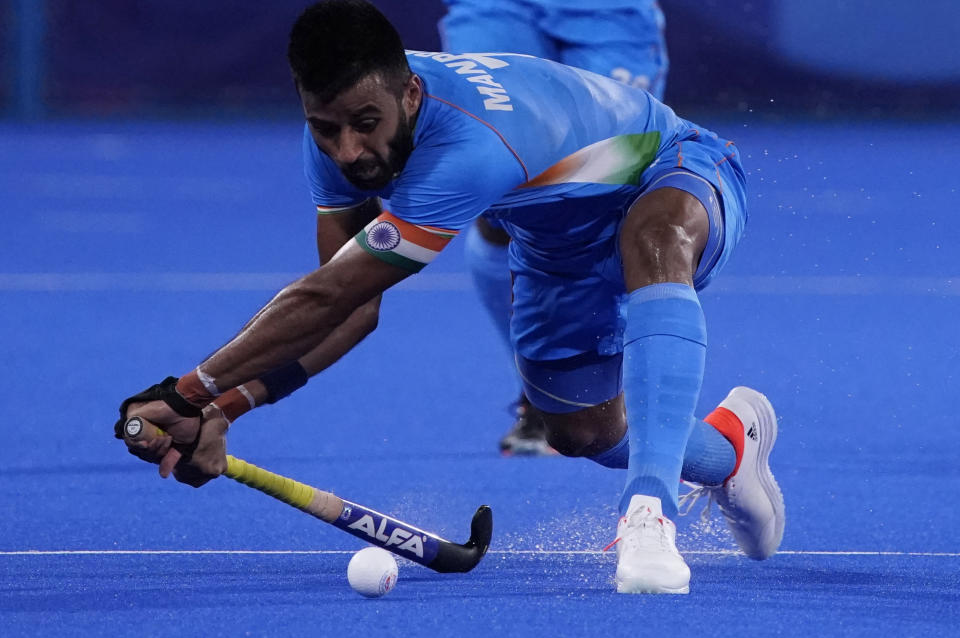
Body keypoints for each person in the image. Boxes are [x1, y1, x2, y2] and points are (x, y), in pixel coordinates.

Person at [115, 0, 785, 594]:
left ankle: (649, 515)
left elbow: (327, 296)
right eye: (325, 127)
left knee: (656, 240)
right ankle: (729, 450)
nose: (348, 150)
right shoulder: (336, 138)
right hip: (556, 253)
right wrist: (227, 405)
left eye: (364, 122)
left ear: (409, 94)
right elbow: (349, 310)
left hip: (673, 173)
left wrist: (185, 395)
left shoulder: (466, 145)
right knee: (582, 432)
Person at [439, 0, 669, 456]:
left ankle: (610, 387)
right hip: (494, 6)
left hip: (607, 11)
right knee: (500, 195)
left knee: (607, 183)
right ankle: (541, 395)